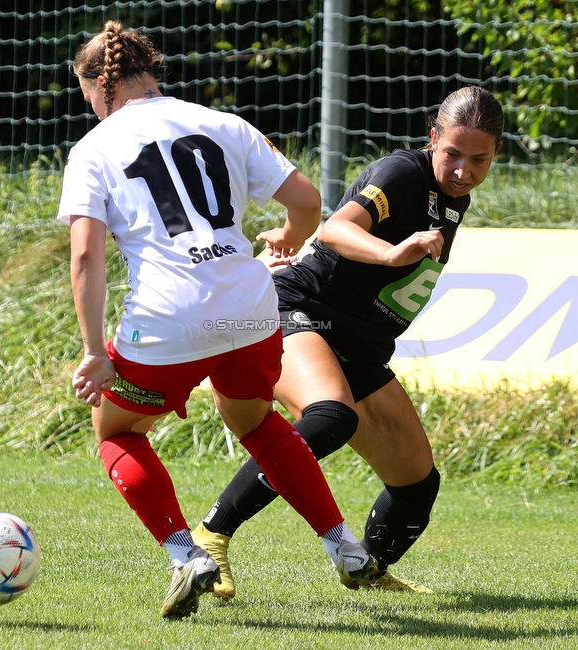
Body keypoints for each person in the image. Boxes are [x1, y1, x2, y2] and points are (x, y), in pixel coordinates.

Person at [56, 21, 377, 620]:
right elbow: (307, 203)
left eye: (85, 97)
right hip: (251, 310)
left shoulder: (93, 149)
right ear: (149, 73)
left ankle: (187, 553)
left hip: (168, 321)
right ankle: (346, 547)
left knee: (116, 432)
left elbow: (85, 254)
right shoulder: (223, 124)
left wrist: (94, 350)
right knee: (256, 422)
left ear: (100, 88)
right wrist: (286, 238)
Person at [193, 86, 505, 598]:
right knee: (331, 416)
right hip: (298, 308)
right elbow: (336, 230)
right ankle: (213, 534)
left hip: (357, 343)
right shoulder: (403, 173)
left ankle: (368, 571)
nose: (462, 170)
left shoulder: (455, 196)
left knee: (417, 484)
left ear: (496, 154)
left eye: (479, 159)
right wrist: (389, 254)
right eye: (452, 154)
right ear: (433, 139)